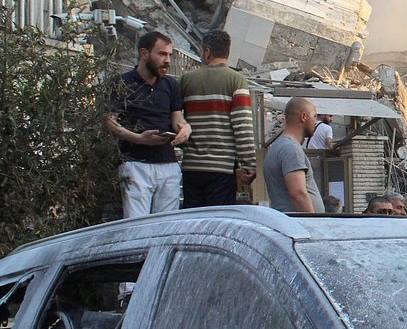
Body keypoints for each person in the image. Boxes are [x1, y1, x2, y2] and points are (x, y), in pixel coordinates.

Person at [104, 30, 191, 218]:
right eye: (162, 54)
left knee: (168, 225)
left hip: (167, 163)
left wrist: (186, 128)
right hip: (136, 163)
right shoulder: (122, 83)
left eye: (169, 54)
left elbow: (177, 119)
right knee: (136, 225)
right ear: (144, 54)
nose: (167, 60)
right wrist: (139, 139)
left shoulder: (170, 85)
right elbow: (109, 121)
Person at [179, 30, 255, 208]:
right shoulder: (236, 80)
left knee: (193, 221)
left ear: (207, 51)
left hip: (191, 167)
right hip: (222, 169)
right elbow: (242, 127)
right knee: (216, 220)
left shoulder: (186, 80)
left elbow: (177, 120)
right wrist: (249, 164)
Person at [263, 96, 323, 213]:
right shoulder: (290, 149)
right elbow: (298, 194)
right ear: (304, 116)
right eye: (314, 116)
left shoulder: (279, 146)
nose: (316, 122)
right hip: (298, 226)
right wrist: (314, 224)